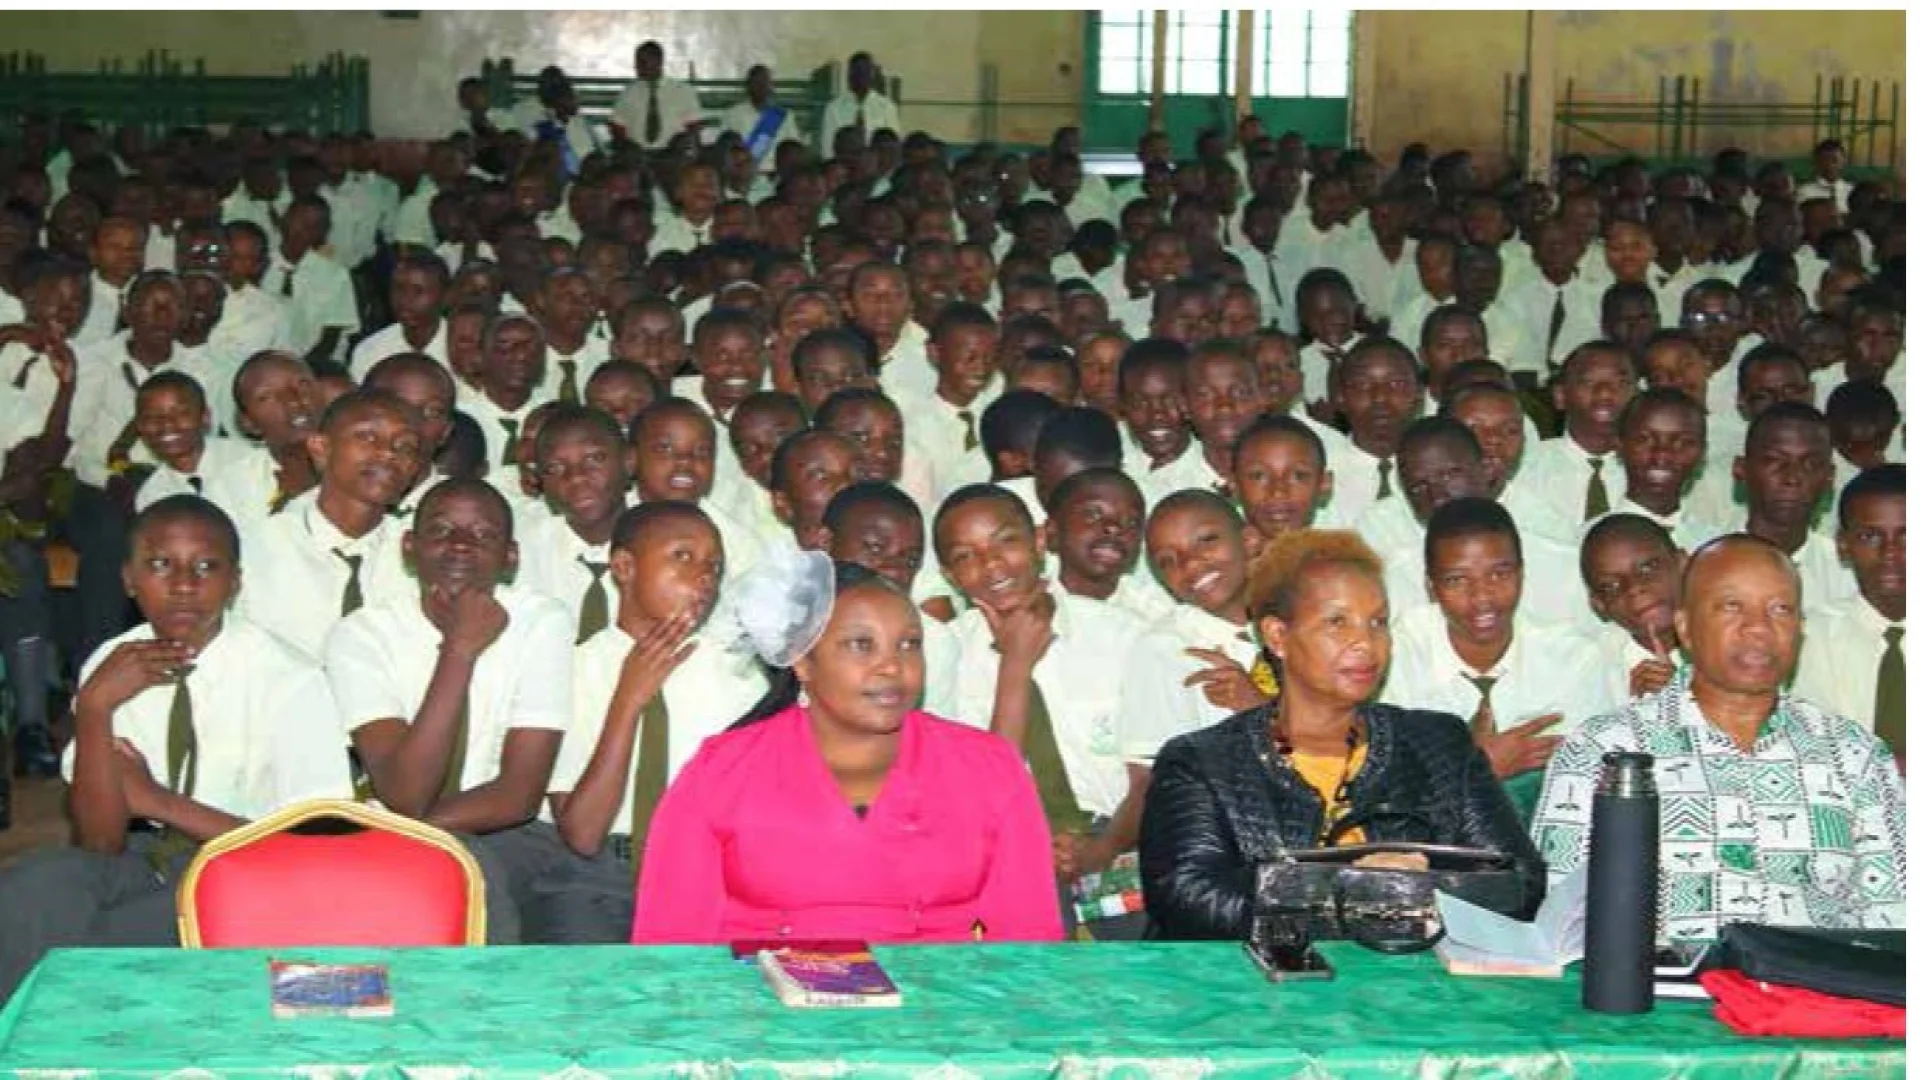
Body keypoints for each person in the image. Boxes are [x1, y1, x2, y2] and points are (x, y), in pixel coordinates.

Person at [0, 496, 351, 1001]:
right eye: (161, 565)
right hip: (144, 857)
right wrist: (95, 707)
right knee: (34, 886)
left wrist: (157, 802)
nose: (184, 585)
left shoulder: (290, 679)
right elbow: (99, 844)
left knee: (102, 939)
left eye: (206, 567)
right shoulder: (112, 664)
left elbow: (308, 850)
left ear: (235, 582)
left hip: (251, 870)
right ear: (129, 579)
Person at [630, 555, 1061, 944]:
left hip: (943, 1002)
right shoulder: (722, 772)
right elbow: (671, 947)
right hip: (763, 1002)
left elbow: (1029, 944)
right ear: (803, 661)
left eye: (909, 644)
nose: (892, 666)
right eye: (861, 644)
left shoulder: (986, 767)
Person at [1138, 528, 1544, 941]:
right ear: (1278, 636)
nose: (1365, 643)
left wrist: (1410, 889)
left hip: (1413, 978)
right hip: (1262, 980)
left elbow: (1521, 881)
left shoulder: (1439, 743)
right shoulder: (1201, 762)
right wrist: (1358, 889)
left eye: (1378, 622)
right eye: (1337, 622)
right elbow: (1188, 900)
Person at [1533, 534, 1906, 943]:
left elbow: (1895, 914)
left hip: (1813, 977)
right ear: (1685, 628)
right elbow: (1559, 920)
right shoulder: (1603, 750)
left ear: (1800, 629)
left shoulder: (1853, 754)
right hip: (1659, 978)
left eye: (1780, 609)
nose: (1759, 628)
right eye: (1732, 606)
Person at [326, 479, 573, 944]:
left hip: (509, 834)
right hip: (395, 826)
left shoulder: (542, 621)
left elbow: (518, 794)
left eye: (483, 535)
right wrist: (459, 650)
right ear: (409, 547)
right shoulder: (361, 635)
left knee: (463, 872)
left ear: (511, 556)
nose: (461, 544)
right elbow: (405, 792)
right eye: (440, 531)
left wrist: (400, 831)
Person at [538, 501, 765, 942]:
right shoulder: (574, 668)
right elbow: (583, 833)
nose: (704, 576)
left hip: (704, 871)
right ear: (624, 567)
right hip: (599, 875)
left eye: (714, 566)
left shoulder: (738, 674)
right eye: (683, 556)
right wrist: (629, 699)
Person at [1381, 496, 1615, 819]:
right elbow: (1383, 787)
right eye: (1457, 580)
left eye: (1499, 574)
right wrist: (1476, 766)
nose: (1482, 598)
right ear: (1431, 586)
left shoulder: (1574, 660)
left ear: (1522, 573)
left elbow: (1596, 782)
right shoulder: (1394, 660)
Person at [236, 389, 419, 660]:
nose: (388, 453)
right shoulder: (255, 550)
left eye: (405, 446)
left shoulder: (419, 554)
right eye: (367, 437)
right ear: (320, 448)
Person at [1793, 464, 1905, 763]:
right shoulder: (1810, 638)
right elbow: (1812, 750)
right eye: (1870, 536)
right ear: (1843, 545)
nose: (1891, 553)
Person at [1581, 513, 1689, 701]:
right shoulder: (1591, 669)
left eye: (1648, 568)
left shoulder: (1731, 640)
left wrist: (1686, 698)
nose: (1634, 588)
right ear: (1599, 604)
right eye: (1611, 586)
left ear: (1682, 563)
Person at [611, 41, 704, 152]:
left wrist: (688, 145)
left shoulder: (682, 90)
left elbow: (694, 125)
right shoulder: (630, 91)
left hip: (673, 151)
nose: (637, 67)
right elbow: (618, 124)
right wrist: (624, 146)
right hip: (638, 153)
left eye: (643, 62)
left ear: (658, 62)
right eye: (637, 62)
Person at [818, 52, 901, 156]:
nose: (860, 76)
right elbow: (828, 147)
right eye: (856, 71)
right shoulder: (834, 108)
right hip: (844, 163)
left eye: (865, 72)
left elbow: (893, 146)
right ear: (849, 75)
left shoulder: (887, 107)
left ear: (872, 74)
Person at [723, 65, 803, 169]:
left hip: (777, 173)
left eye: (765, 82)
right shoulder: (732, 114)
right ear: (748, 86)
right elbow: (724, 149)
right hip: (743, 173)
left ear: (772, 87)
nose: (761, 86)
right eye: (756, 82)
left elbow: (794, 150)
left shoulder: (785, 116)